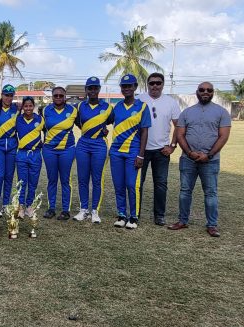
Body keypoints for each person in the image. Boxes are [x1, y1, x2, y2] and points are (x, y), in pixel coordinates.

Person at [169, 82, 231, 237]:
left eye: (209, 90)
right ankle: (182, 221)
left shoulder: (221, 112)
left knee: (210, 193)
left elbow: (224, 136)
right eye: (202, 90)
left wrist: (208, 155)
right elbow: (180, 135)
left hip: (210, 160)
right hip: (188, 159)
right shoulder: (187, 113)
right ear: (196, 92)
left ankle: (212, 225)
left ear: (213, 93)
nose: (205, 92)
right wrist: (189, 153)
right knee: (185, 191)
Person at [136, 73, 182, 226]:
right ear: (147, 84)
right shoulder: (140, 99)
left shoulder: (171, 102)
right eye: (152, 83)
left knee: (161, 184)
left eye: (158, 83)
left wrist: (173, 145)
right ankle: (135, 213)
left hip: (161, 150)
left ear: (163, 84)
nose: (155, 86)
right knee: (138, 183)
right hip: (141, 150)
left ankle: (159, 215)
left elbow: (179, 126)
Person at [110, 74, 151, 229]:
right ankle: (121, 215)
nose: (126, 88)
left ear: (135, 87)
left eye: (129, 86)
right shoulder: (118, 107)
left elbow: (145, 132)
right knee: (118, 185)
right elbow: (106, 121)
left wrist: (141, 154)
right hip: (115, 152)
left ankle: (133, 217)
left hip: (133, 152)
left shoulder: (142, 106)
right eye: (124, 86)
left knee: (131, 185)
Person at [73, 76, 113, 224]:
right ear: (86, 90)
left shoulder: (107, 108)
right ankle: (83, 209)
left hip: (99, 145)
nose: (93, 90)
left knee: (97, 179)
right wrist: (90, 129)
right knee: (82, 178)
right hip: (83, 144)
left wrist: (102, 130)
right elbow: (78, 123)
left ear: (99, 89)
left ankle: (95, 211)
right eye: (90, 88)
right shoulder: (79, 107)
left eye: (95, 88)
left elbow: (110, 121)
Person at [42, 86, 78, 220]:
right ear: (52, 97)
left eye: (60, 96)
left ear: (65, 96)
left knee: (65, 179)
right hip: (49, 150)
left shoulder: (73, 110)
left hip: (67, 150)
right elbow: (42, 127)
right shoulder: (45, 110)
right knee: (52, 179)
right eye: (55, 95)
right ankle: (51, 208)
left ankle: (65, 210)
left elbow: (83, 124)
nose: (58, 98)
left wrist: (103, 129)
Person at [0, 84, 19, 218]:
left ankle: (6, 204)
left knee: (9, 176)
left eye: (10, 95)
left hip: (12, 146)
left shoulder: (16, 109)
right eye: (6, 95)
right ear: (1, 95)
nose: (8, 98)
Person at [15, 96, 43, 218]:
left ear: (33, 106)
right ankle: (20, 206)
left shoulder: (40, 119)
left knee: (33, 182)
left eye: (30, 106)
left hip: (35, 154)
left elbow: (48, 131)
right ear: (23, 107)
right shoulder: (17, 119)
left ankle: (29, 206)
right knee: (22, 182)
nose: (28, 108)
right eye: (25, 106)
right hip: (21, 154)